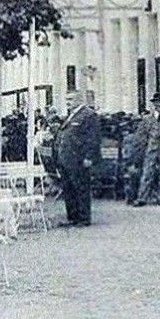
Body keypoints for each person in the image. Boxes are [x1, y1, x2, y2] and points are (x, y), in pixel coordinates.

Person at [54, 91, 101, 226]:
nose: (68, 102)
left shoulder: (88, 115)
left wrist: (89, 156)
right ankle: (73, 217)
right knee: (69, 189)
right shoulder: (72, 115)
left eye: (71, 99)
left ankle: (83, 218)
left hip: (78, 159)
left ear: (79, 100)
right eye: (67, 99)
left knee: (80, 188)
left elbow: (93, 138)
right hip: (67, 159)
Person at [119, 113, 149, 202]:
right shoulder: (130, 137)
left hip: (142, 159)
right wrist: (130, 163)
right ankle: (131, 197)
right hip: (133, 161)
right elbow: (128, 152)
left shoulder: (142, 136)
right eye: (137, 123)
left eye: (140, 122)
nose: (139, 125)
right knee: (133, 178)